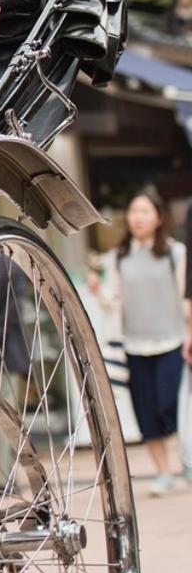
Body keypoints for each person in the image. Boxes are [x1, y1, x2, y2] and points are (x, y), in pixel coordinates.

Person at [98, 189, 189, 495]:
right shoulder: (117, 258)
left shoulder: (175, 254)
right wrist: (100, 291)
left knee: (172, 407)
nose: (138, 217)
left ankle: (186, 461)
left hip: (172, 342)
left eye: (145, 211)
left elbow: (184, 297)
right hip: (134, 346)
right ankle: (163, 472)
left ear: (159, 217)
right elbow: (112, 302)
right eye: (134, 212)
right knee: (146, 413)